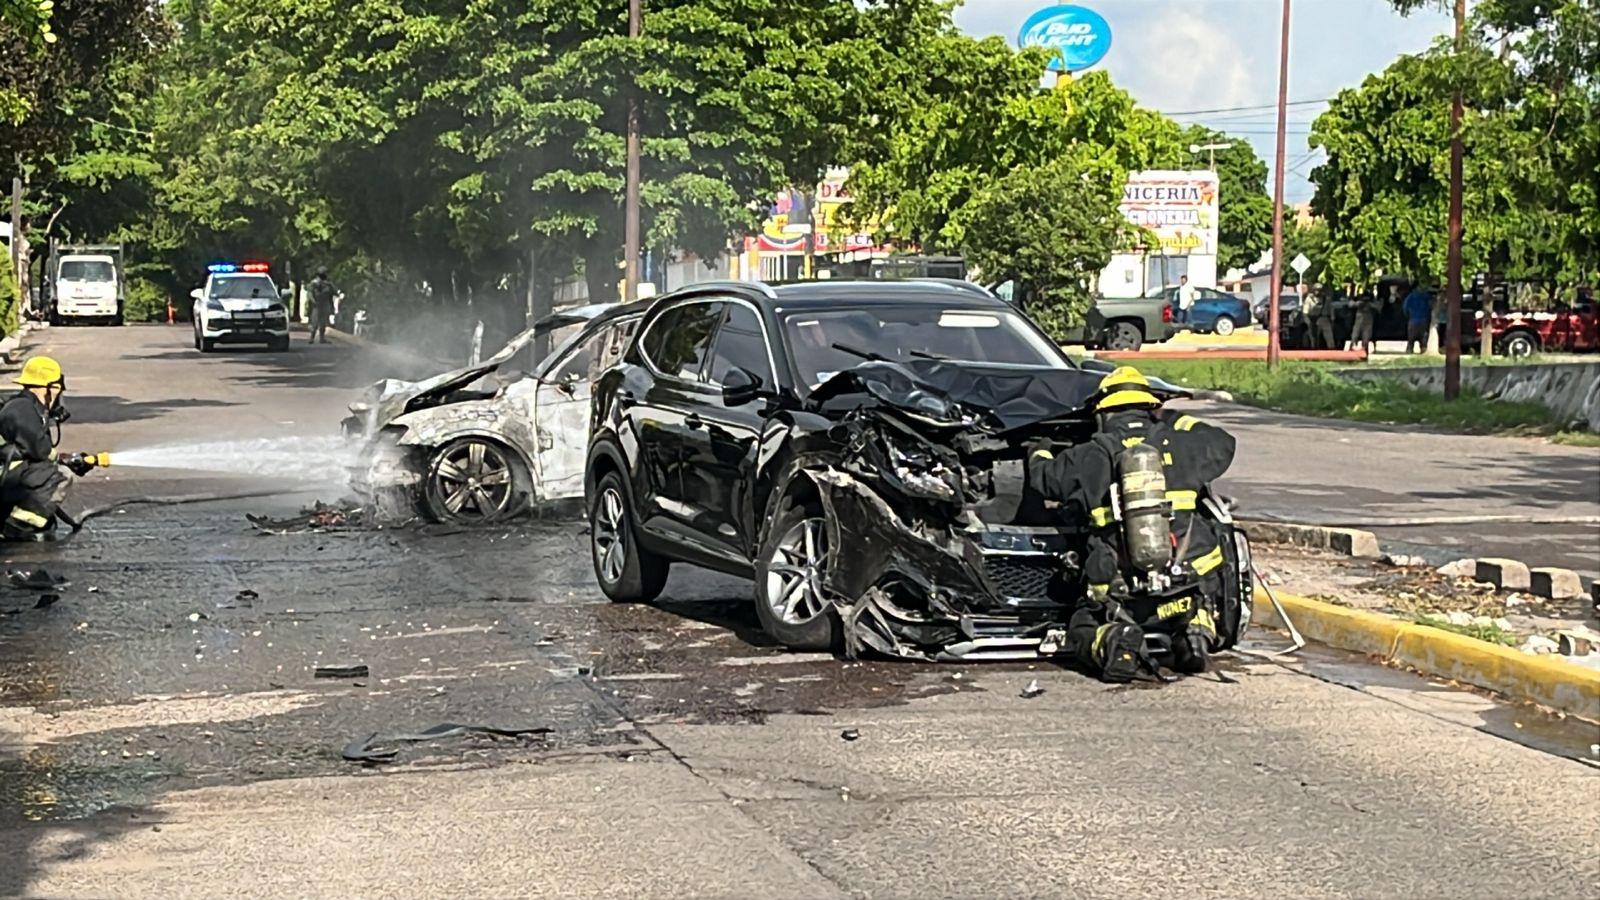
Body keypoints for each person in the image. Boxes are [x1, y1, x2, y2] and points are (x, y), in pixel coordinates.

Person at [1028, 367, 1238, 680]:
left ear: (1101, 415)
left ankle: (1115, 642)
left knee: (1081, 627)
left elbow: (1042, 478)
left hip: (1122, 594)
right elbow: (1223, 442)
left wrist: (1039, 447)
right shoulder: (1181, 443)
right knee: (1189, 608)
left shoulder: (1091, 454)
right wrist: (1173, 418)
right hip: (1184, 585)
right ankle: (1195, 631)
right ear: (1150, 407)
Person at [0, 357, 94, 540]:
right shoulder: (22, 409)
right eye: (59, 390)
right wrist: (68, 460)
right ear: (51, 387)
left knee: (46, 472)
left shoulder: (26, 408)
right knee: (60, 474)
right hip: (4, 476)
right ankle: (16, 527)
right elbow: (40, 451)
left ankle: (22, 521)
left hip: (7, 474)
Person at [308, 271, 337, 344]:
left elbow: (334, 292)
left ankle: (322, 338)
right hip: (317, 305)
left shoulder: (328, 284)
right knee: (315, 322)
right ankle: (312, 338)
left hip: (325, 304)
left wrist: (329, 284)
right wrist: (313, 301)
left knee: (323, 323)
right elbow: (310, 293)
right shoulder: (314, 283)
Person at [1403, 283, 1433, 354]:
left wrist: (1408, 316)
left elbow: (1405, 307)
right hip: (1424, 320)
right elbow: (1431, 305)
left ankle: (1410, 350)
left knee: (1411, 340)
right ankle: (1423, 350)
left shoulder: (1410, 296)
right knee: (1423, 339)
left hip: (1413, 320)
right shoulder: (1426, 296)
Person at [1308, 285, 1336, 350]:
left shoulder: (1327, 299)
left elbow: (1331, 309)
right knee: (1314, 337)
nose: (1317, 291)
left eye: (1318, 290)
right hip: (1315, 320)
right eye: (1316, 290)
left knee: (1329, 337)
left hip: (1324, 319)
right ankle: (1313, 349)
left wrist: (1332, 319)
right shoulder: (1310, 299)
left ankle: (1332, 350)